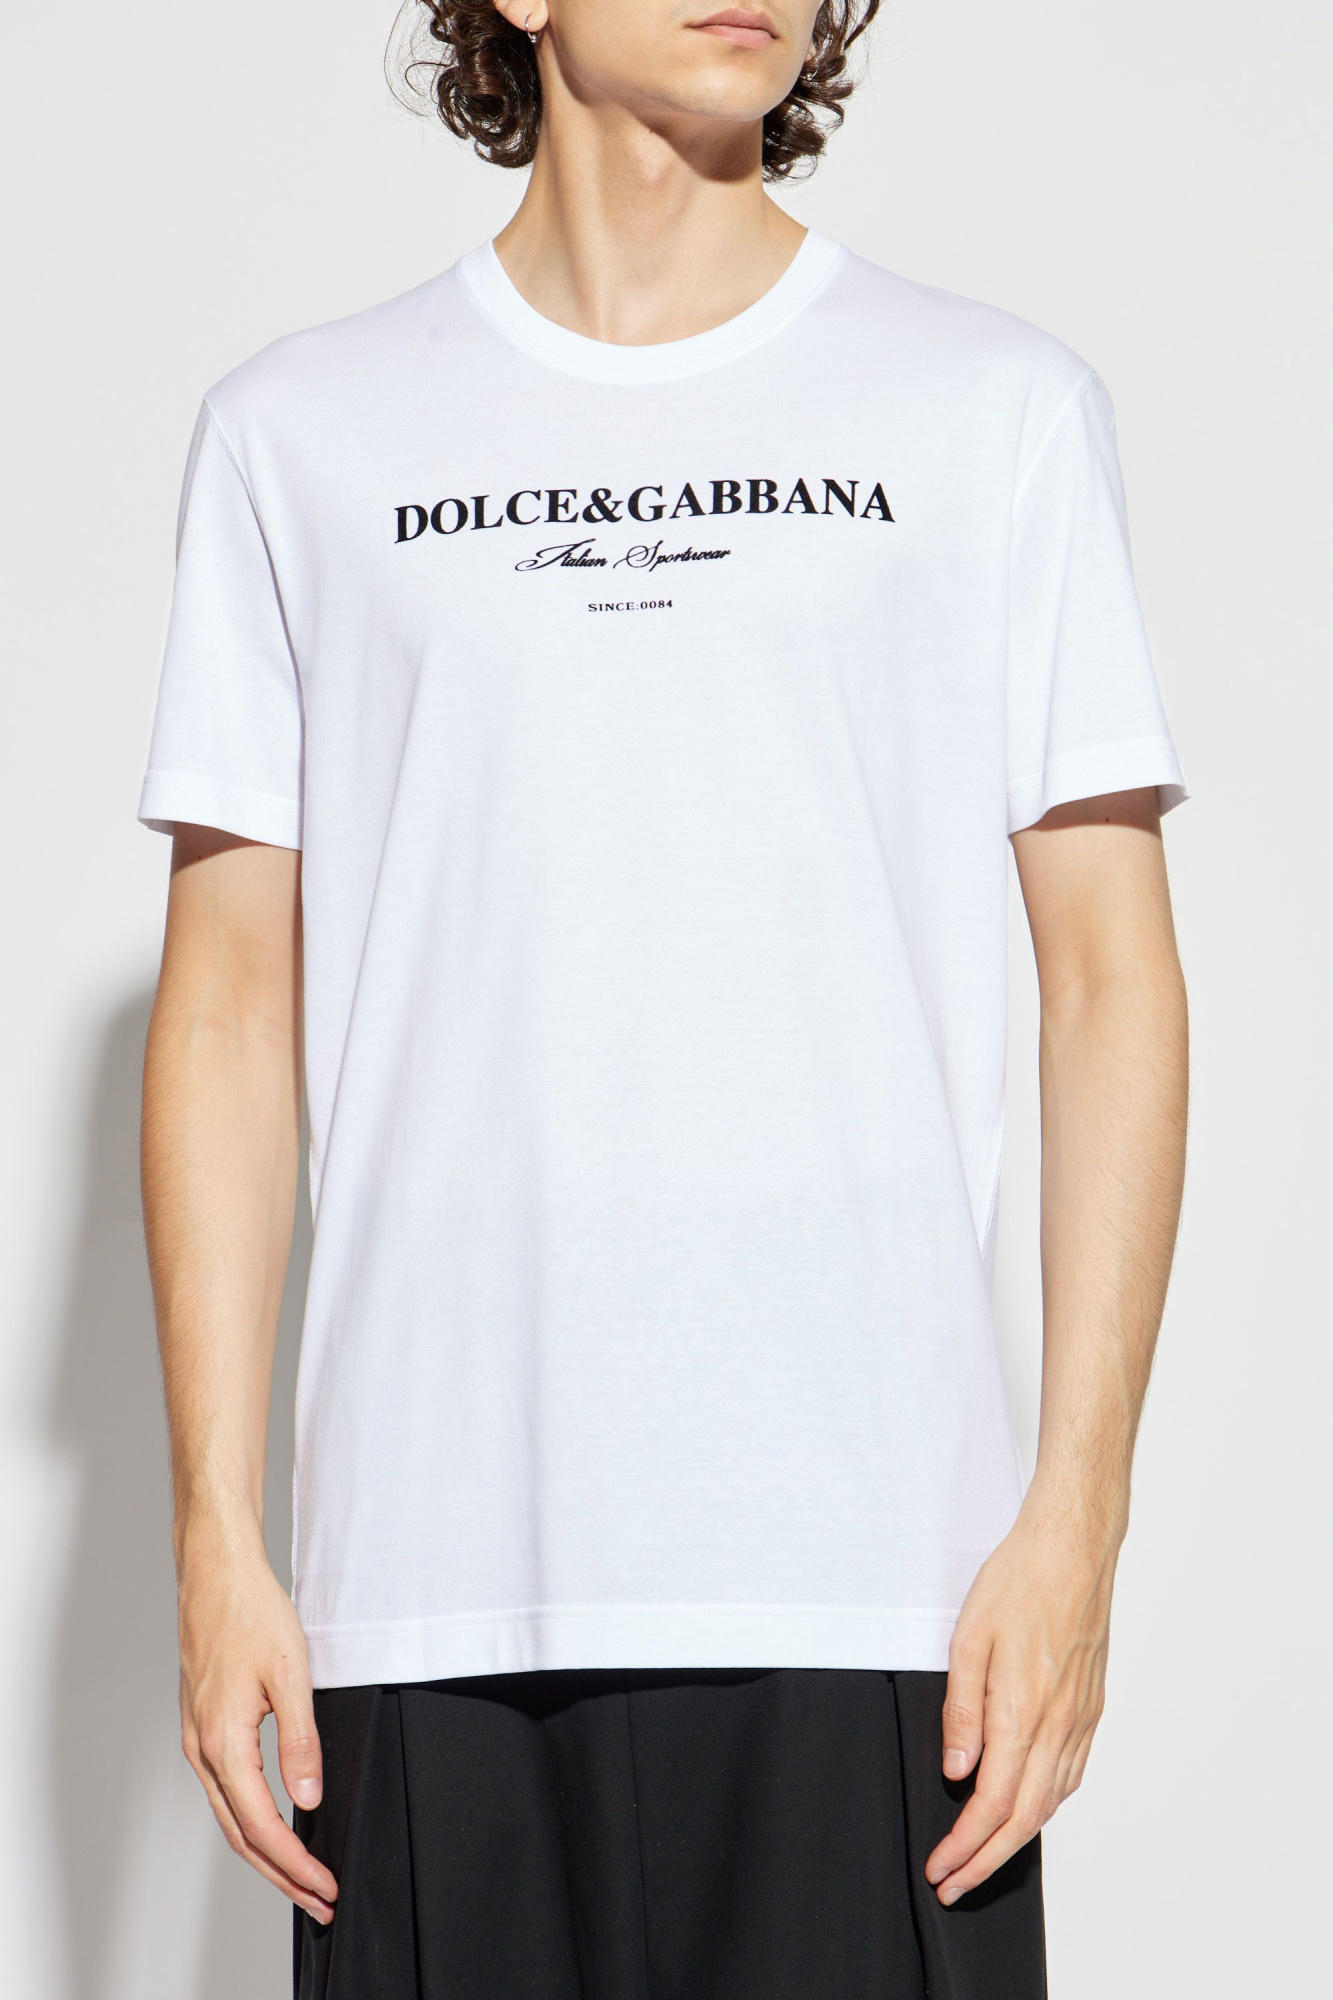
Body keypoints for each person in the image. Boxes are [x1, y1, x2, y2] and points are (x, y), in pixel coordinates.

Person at [139, 3, 1189, 1994]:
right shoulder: (302, 432)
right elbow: (226, 1007)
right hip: (427, 1593)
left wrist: (1078, 1517)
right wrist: (214, 1531)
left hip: (876, 1586)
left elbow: (1108, 979)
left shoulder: (992, 409)